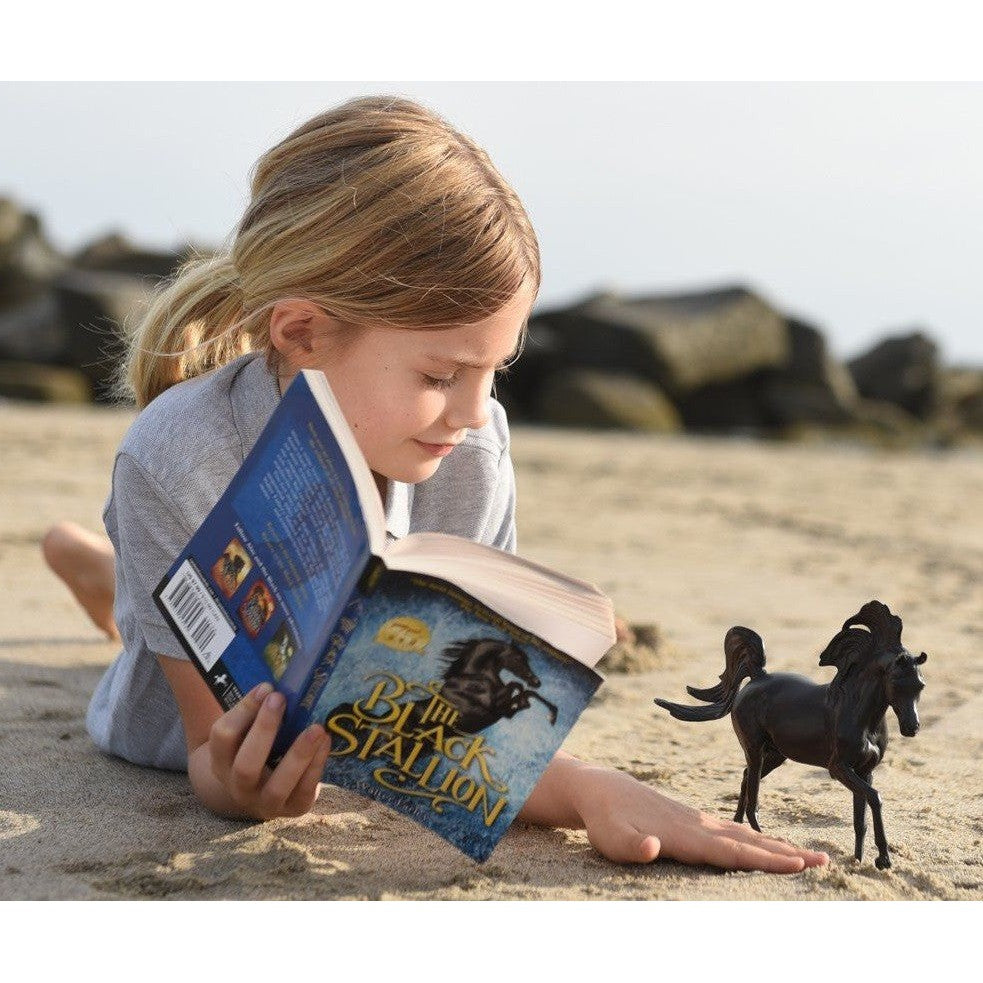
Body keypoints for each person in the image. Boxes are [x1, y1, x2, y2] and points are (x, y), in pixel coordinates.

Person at [42, 95, 828, 873]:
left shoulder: (468, 444)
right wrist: (242, 791)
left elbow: (457, 728)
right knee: (164, 627)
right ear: (303, 333)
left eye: (496, 369)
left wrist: (590, 788)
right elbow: (207, 757)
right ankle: (114, 584)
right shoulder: (177, 456)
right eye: (442, 373)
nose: (477, 410)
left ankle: (106, 577)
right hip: (173, 732)